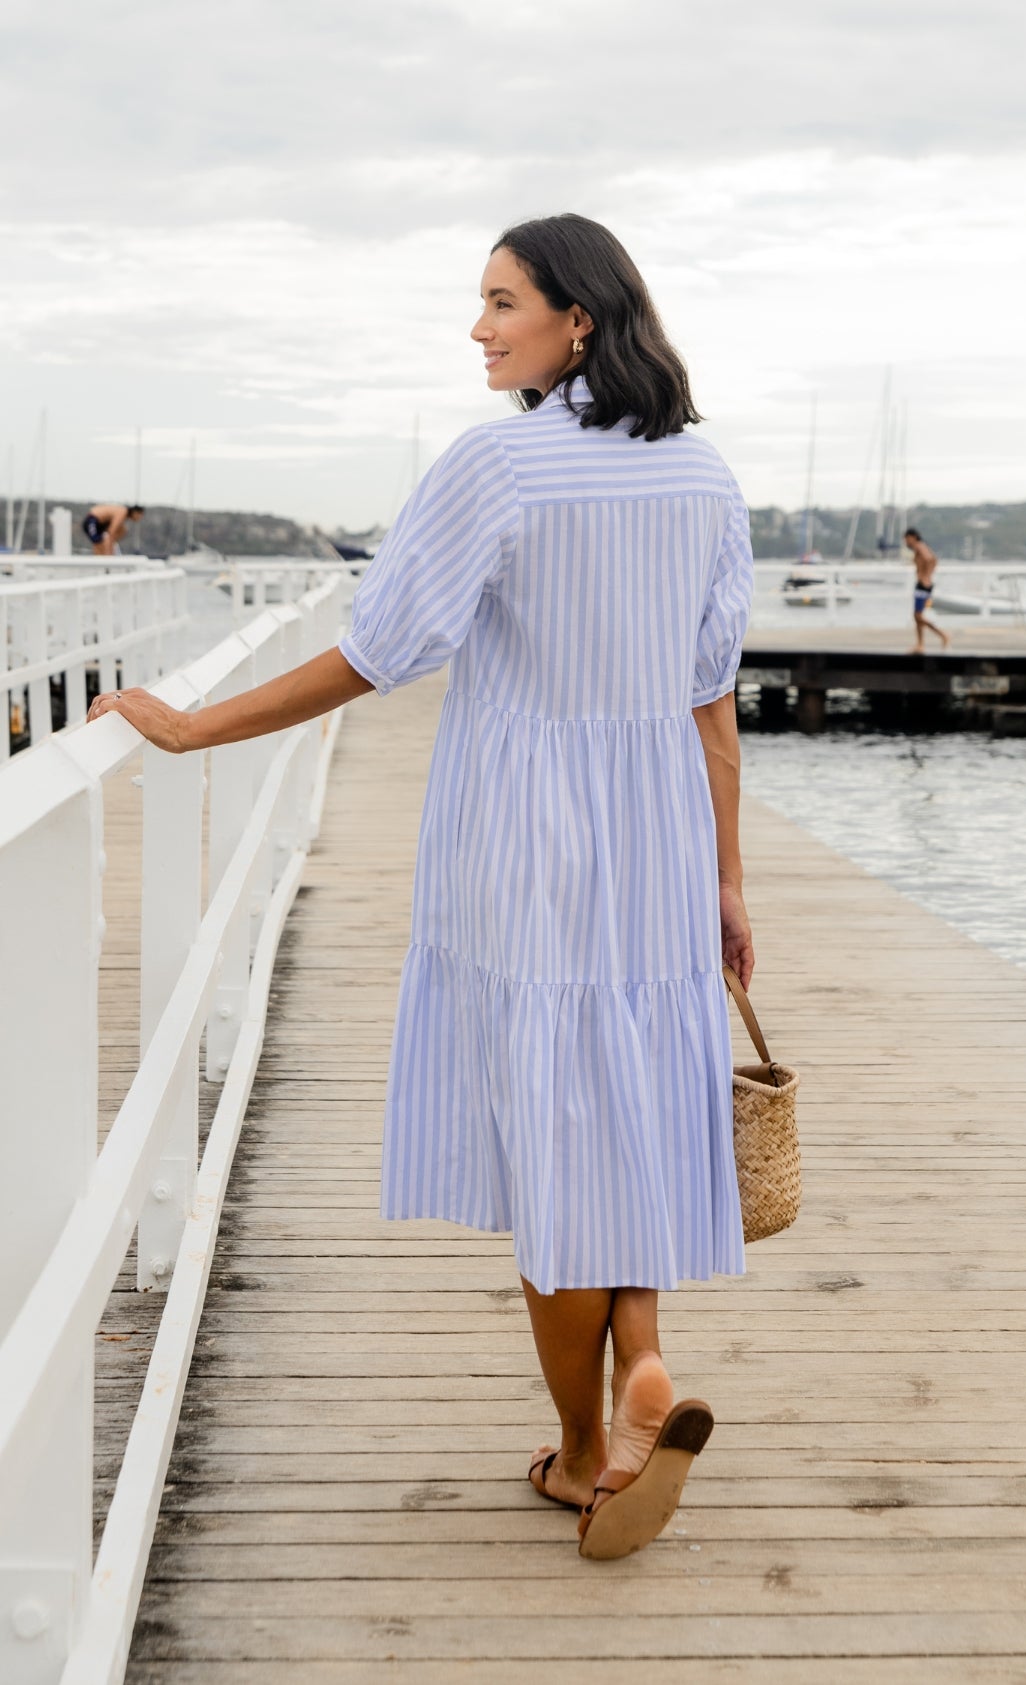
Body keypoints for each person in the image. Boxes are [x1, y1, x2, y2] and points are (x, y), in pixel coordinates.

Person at [86, 214, 755, 1561]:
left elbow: (375, 651)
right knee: (625, 1094)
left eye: (501, 301)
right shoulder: (704, 473)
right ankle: (647, 1358)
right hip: (661, 838)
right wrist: (730, 883)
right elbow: (715, 704)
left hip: (530, 838)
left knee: (557, 1131)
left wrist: (198, 727)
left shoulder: (498, 462)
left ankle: (581, 1456)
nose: (479, 326)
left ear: (578, 319)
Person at [903, 526, 949, 652]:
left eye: (906, 539)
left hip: (923, 585)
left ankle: (942, 634)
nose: (906, 542)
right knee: (917, 616)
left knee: (918, 616)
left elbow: (929, 559)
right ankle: (920, 644)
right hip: (923, 584)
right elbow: (934, 560)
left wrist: (926, 576)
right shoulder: (921, 546)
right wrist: (928, 574)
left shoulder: (919, 546)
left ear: (912, 537)